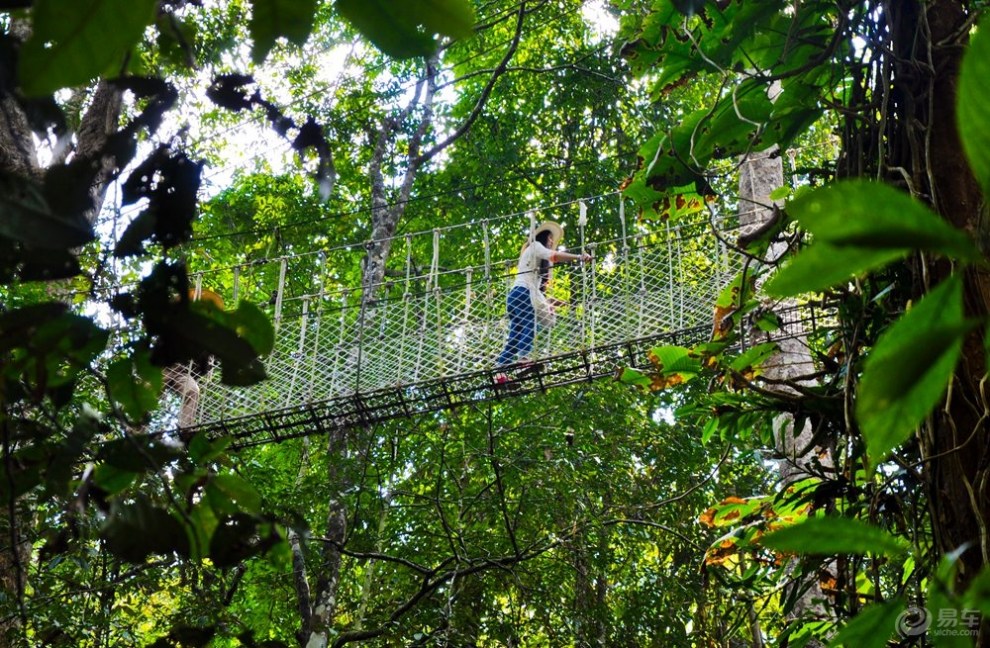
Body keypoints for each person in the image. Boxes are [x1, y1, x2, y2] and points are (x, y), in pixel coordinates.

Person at [495, 220, 591, 384]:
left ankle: (499, 374)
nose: (552, 243)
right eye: (551, 239)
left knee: (515, 336)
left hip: (514, 296)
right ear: (544, 237)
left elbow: (538, 294)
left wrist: (555, 303)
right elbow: (554, 255)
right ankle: (523, 359)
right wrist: (579, 257)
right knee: (530, 323)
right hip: (523, 293)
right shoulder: (535, 246)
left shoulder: (534, 263)